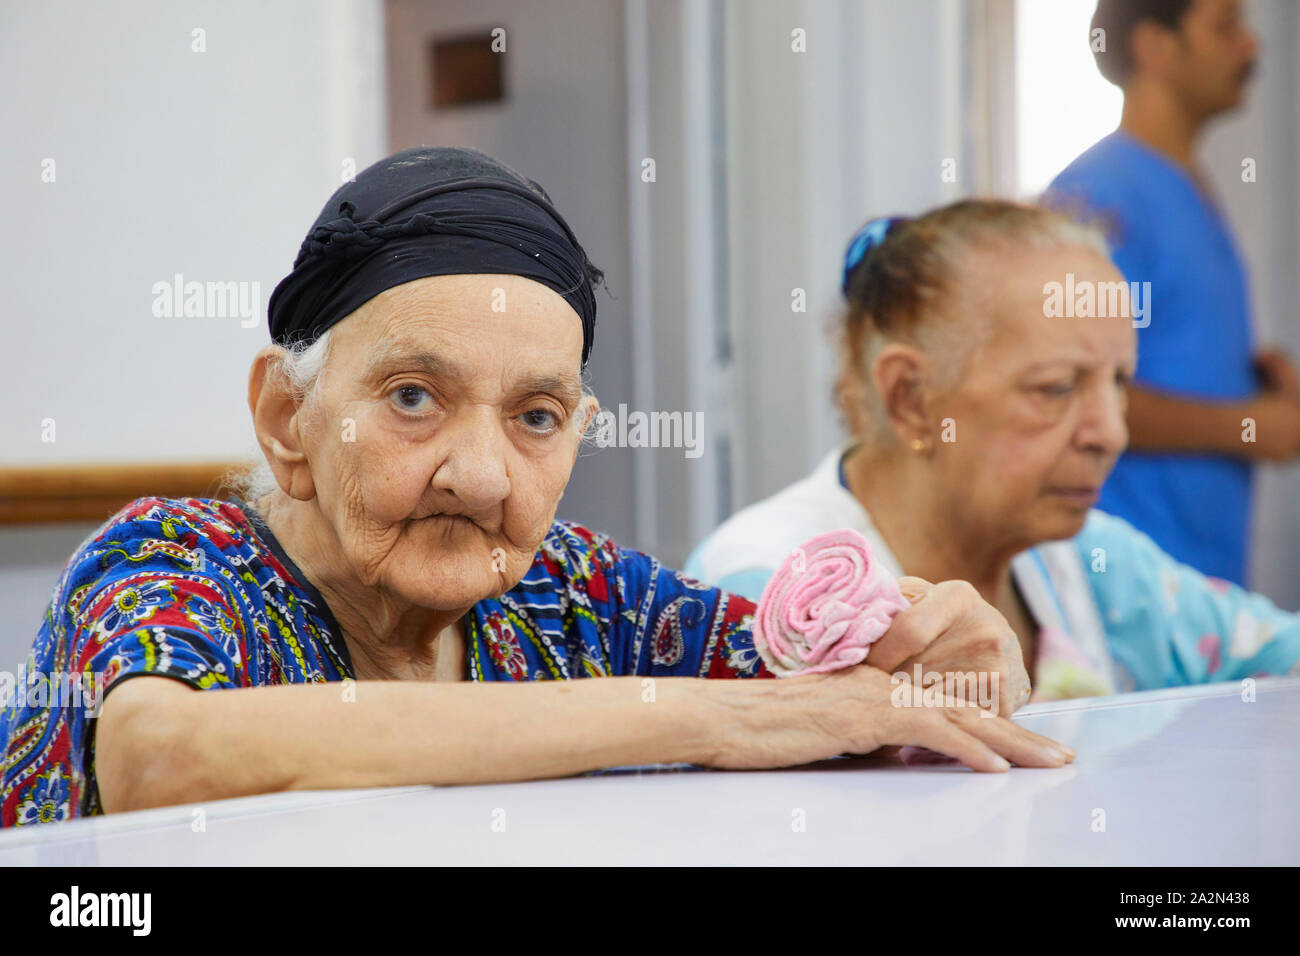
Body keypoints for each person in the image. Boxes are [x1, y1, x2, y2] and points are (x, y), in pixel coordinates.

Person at [0, 148, 1069, 827]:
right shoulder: (179, 561)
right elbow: (157, 755)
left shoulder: (576, 593)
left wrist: (935, 663)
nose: (477, 474)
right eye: (414, 396)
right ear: (290, 418)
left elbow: (817, 703)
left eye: (536, 416)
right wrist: (705, 718)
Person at [685, 200, 1300, 701]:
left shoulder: (1093, 566)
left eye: (1117, 382)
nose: (1110, 432)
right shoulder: (768, 592)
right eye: (1055, 388)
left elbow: (1279, 653)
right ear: (911, 399)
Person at [1044, 0, 1300, 586]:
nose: (1250, 46)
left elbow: (1158, 353)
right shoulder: (1099, 195)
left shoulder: (1187, 184)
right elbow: (1062, 388)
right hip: (1126, 586)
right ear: (1155, 47)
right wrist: (1249, 427)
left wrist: (1253, 384)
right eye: (1225, 26)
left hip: (1196, 584)